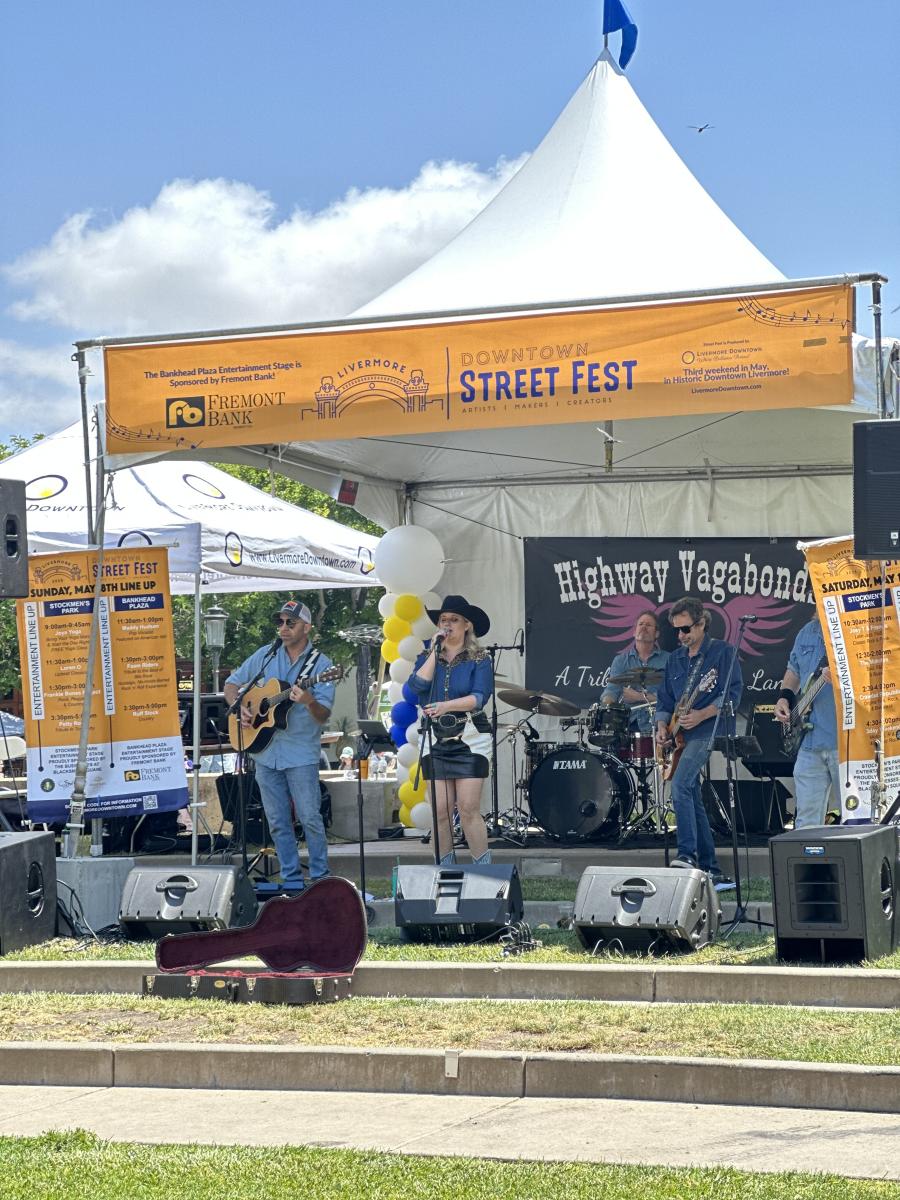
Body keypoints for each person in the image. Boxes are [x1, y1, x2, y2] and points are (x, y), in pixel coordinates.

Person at [224, 599, 335, 891]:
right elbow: (232, 685)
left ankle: (321, 879)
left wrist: (309, 701)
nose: (283, 628)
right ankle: (292, 881)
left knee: (310, 818)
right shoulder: (266, 654)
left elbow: (323, 715)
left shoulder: (322, 665)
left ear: (306, 628)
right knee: (276, 820)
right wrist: (239, 707)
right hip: (265, 752)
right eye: (280, 622)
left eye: (290, 623)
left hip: (301, 753)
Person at [655, 596, 743, 879]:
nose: (680, 636)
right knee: (691, 794)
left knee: (680, 784)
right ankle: (710, 867)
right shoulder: (675, 659)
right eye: (676, 630)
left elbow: (732, 695)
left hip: (707, 730)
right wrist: (662, 727)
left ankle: (686, 855)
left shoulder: (722, 652)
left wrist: (702, 714)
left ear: (702, 623)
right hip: (680, 735)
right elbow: (665, 700)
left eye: (686, 629)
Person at [407, 594, 494, 866]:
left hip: (470, 737)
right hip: (435, 738)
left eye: (454, 620)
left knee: (468, 809)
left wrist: (446, 706)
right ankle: (444, 871)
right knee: (441, 812)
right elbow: (416, 687)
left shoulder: (480, 658)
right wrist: (434, 652)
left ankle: (484, 873)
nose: (447, 624)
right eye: (443, 619)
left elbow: (479, 697)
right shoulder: (426, 656)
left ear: (467, 625)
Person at [773, 613, 839, 827]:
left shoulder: (853, 627)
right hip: (809, 740)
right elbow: (794, 670)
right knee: (806, 820)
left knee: (855, 815)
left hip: (846, 742)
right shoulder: (807, 632)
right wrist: (784, 697)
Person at [600, 610, 669, 735]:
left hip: (658, 725)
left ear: (657, 633)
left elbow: (672, 697)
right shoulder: (621, 660)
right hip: (628, 724)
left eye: (648, 625)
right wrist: (607, 704)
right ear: (634, 632)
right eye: (640, 624)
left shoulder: (669, 660)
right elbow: (612, 690)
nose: (644, 627)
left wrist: (639, 697)